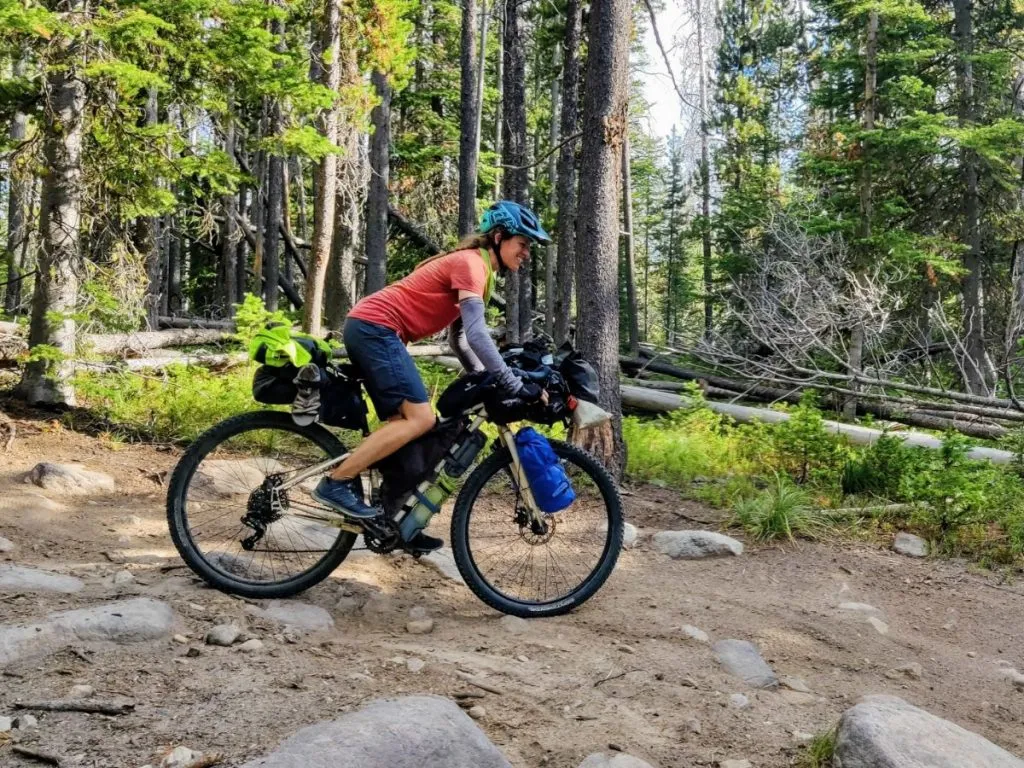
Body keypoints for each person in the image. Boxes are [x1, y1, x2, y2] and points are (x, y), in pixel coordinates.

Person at [312, 200, 551, 552]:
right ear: (499, 237)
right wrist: (511, 383)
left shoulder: (477, 269)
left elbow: (458, 339)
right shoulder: (472, 264)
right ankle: (336, 482)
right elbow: (478, 335)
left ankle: (391, 521)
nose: (526, 253)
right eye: (523, 244)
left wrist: (481, 378)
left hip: (374, 329)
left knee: (411, 428)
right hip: (376, 329)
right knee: (420, 418)